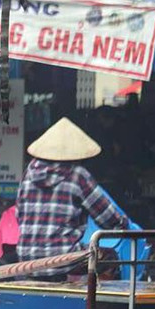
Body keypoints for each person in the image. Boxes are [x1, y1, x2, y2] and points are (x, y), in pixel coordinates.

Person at [15, 118, 129, 279]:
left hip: (26, 260)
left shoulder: (28, 174)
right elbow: (109, 219)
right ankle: (100, 303)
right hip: (63, 260)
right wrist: (124, 225)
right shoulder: (77, 175)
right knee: (110, 257)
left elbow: (19, 216)